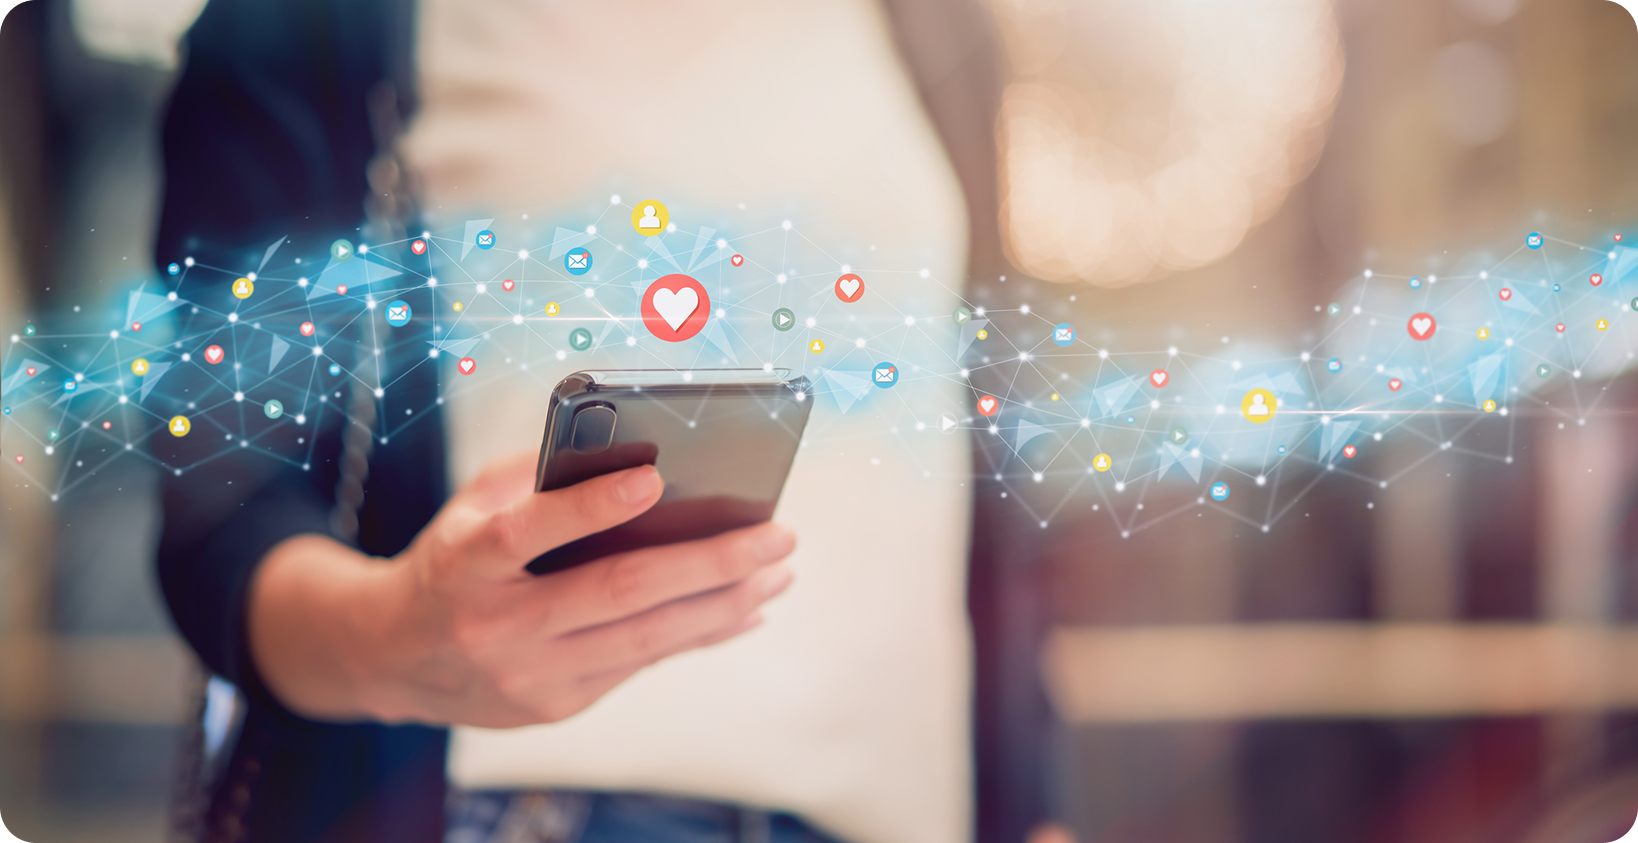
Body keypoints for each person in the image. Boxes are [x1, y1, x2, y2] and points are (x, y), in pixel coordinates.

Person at [154, 1, 1058, 842]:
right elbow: (221, 521)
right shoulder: (312, 21)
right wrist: (397, 635)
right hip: (527, 808)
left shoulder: (934, 20)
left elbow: (983, 471)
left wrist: (1037, 807)